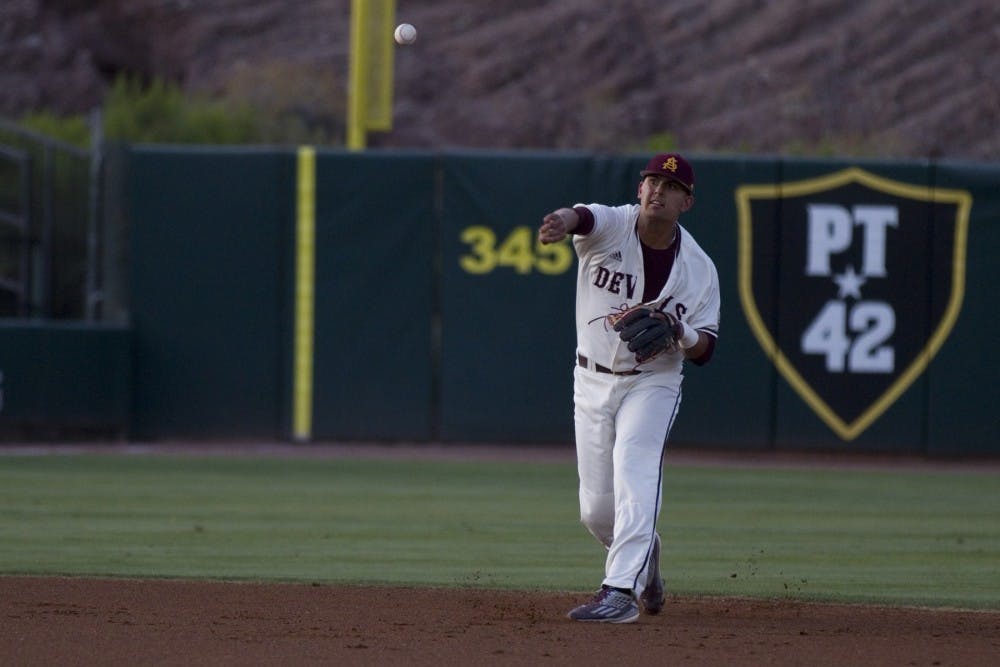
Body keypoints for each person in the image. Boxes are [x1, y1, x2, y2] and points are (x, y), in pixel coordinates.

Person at [538, 153, 720, 623]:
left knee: (635, 469)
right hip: (590, 377)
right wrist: (562, 218)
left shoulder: (700, 268)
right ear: (639, 190)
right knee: (598, 513)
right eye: (652, 181)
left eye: (671, 185)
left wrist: (679, 332)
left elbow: (707, 350)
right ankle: (645, 559)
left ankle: (619, 591)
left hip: (653, 381)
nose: (658, 190)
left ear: (687, 202)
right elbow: (583, 216)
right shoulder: (613, 225)